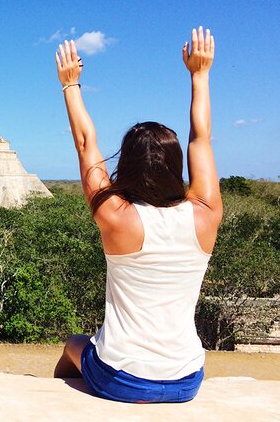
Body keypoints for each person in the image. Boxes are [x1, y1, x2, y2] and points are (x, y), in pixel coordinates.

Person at [52, 27, 223, 403]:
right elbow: (201, 138)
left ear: (126, 166)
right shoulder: (205, 214)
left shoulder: (117, 216)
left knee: (74, 345)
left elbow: (85, 143)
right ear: (176, 166)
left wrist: (70, 85)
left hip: (121, 378)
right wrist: (200, 75)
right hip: (186, 380)